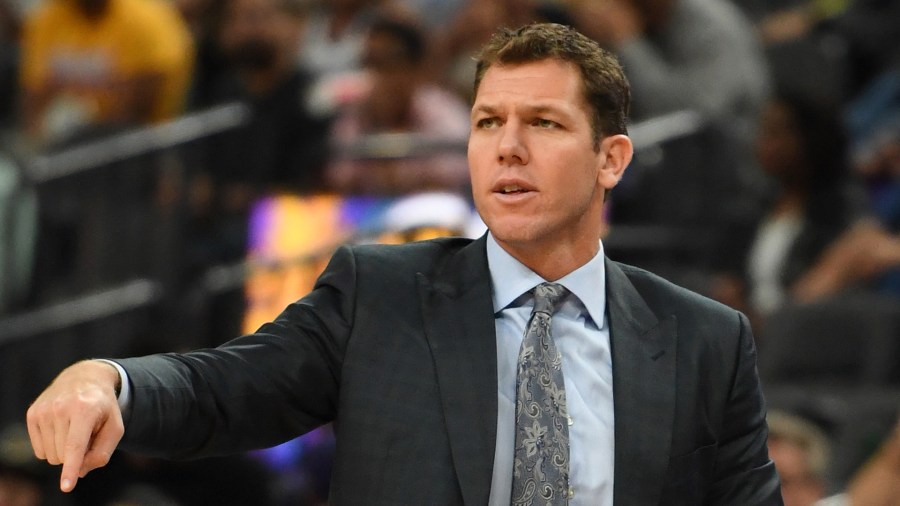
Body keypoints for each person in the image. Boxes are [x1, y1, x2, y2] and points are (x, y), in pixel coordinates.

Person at [25, 23, 782, 505]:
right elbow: (224, 387)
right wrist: (110, 382)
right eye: (488, 122)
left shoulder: (705, 341)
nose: (507, 146)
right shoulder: (378, 293)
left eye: (543, 123)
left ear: (611, 158)